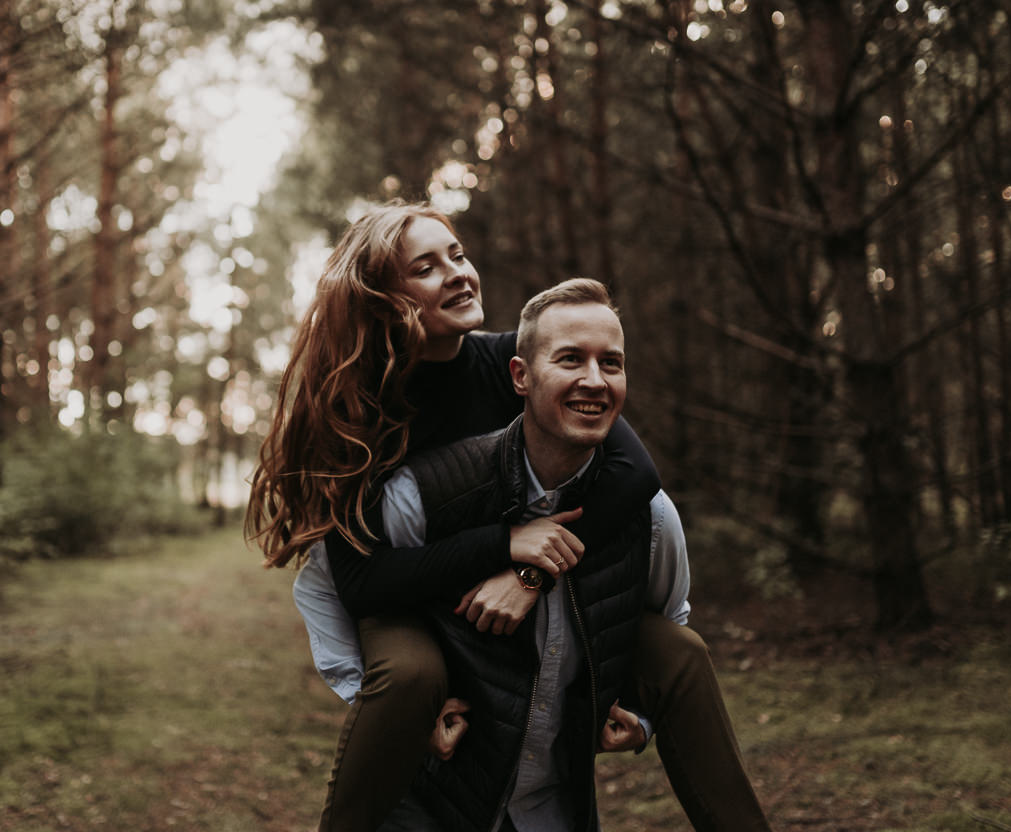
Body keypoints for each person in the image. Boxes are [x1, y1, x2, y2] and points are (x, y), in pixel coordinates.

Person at [247, 203, 769, 831]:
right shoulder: (358, 410)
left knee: (677, 651)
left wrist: (532, 574)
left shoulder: (507, 365)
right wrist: (503, 545)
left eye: (458, 255)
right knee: (410, 673)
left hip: (529, 600)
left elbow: (637, 474)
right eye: (427, 266)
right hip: (414, 608)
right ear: (383, 296)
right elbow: (360, 583)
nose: (458, 273)